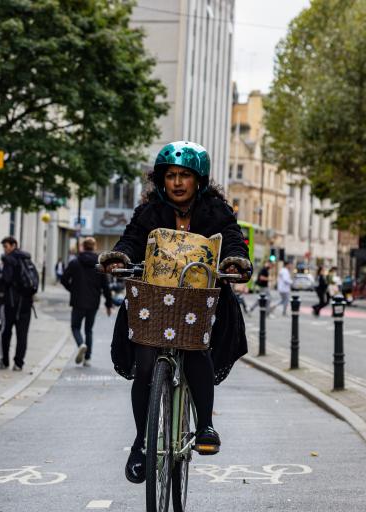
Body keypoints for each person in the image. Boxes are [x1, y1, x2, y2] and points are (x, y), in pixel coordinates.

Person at [98, 140, 252, 484]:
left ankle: (205, 425)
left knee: (196, 349)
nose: (178, 182)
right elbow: (132, 239)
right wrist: (120, 256)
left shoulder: (216, 210)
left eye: (185, 175)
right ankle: (141, 444)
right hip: (156, 300)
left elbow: (232, 238)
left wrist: (235, 260)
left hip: (197, 302)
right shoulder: (149, 212)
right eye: (170, 176)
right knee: (146, 363)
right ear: (161, 180)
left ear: (199, 180)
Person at [60, 237, 113, 367]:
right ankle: (87, 358)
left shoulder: (75, 262)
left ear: (82, 247)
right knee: (89, 329)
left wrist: (72, 289)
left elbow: (64, 279)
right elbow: (106, 286)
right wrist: (108, 304)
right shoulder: (100, 266)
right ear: (94, 247)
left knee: (75, 327)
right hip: (93, 302)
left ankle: (80, 344)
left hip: (78, 300)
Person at [0, 236, 36, 371]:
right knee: (22, 334)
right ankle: (19, 363)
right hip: (26, 302)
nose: (5, 250)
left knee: (6, 332)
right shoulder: (27, 258)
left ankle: (5, 361)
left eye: (6, 246)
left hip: (11, 302)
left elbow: (6, 280)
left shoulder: (9, 260)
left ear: (13, 245)